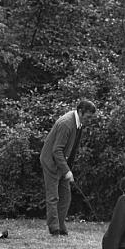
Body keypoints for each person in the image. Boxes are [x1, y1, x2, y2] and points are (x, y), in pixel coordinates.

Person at [39, 100, 96, 236]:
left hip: (62, 163)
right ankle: (54, 229)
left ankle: (61, 225)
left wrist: (67, 169)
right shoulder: (66, 124)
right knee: (53, 197)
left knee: (66, 196)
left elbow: (72, 148)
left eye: (91, 118)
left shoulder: (79, 123)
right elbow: (56, 150)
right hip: (51, 162)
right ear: (80, 112)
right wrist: (66, 171)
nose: (89, 120)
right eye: (88, 117)